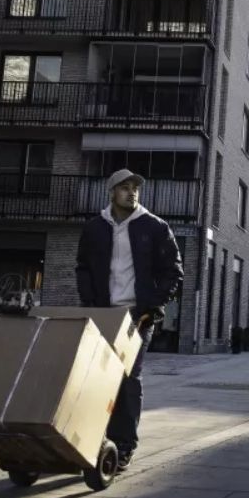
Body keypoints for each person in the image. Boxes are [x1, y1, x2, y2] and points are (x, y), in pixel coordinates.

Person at [76, 169, 183, 471]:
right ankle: (94, 436)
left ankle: (124, 445)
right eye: (124, 187)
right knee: (94, 377)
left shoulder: (155, 227)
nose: (132, 192)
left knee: (125, 379)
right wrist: (88, 300)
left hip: (138, 316)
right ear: (111, 192)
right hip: (102, 313)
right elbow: (82, 266)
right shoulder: (95, 227)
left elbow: (173, 271)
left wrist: (153, 305)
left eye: (135, 187)